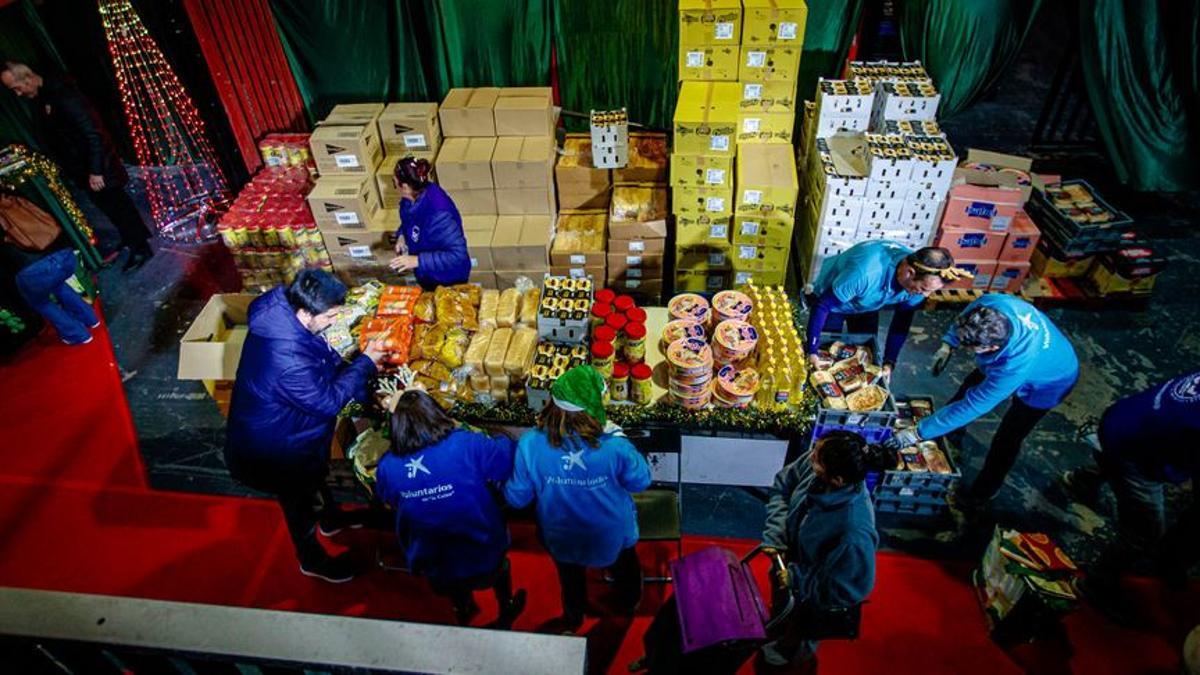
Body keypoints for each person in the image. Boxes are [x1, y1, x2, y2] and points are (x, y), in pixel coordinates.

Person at [224, 269, 385, 583]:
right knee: (297, 503)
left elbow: (319, 356)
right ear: (304, 311)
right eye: (329, 316)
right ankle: (311, 558)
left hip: (293, 432)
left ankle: (330, 518)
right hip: (274, 449)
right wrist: (366, 362)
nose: (332, 321)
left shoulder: (284, 312)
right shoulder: (287, 360)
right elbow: (326, 402)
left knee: (313, 479)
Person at [888, 294, 1079, 511]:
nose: (967, 350)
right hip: (1034, 354)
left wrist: (918, 433)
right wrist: (948, 344)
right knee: (970, 384)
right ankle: (952, 432)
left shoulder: (1012, 366)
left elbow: (974, 405)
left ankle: (984, 490)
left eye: (972, 349)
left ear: (992, 349)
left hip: (1051, 381)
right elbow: (966, 316)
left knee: (1009, 436)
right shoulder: (993, 306)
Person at [504, 365, 651, 632]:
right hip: (610, 534)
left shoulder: (530, 443)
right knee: (626, 570)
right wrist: (620, 438)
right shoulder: (614, 445)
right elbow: (640, 481)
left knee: (570, 579)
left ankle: (574, 617)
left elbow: (517, 498)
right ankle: (628, 603)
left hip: (561, 536)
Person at [375, 390, 527, 628]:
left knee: (451, 586)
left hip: (431, 556)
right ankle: (505, 605)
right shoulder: (465, 444)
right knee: (497, 571)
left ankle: (462, 607)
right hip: (480, 545)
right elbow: (505, 460)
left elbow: (388, 498)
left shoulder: (387, 466)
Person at [1060, 371, 1199, 622]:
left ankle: (1081, 480)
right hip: (1137, 454)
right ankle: (1095, 584)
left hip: (1124, 418)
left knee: (1114, 457)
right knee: (1145, 532)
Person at [1, 62, 155, 271]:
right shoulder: (40, 99)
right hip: (83, 169)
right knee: (110, 208)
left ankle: (141, 247)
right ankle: (131, 239)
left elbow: (93, 132)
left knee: (119, 206)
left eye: (17, 88)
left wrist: (96, 170)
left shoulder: (63, 94)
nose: (18, 94)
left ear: (27, 79)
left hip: (98, 168)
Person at [760, 430, 892, 667]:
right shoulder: (820, 464)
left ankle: (792, 658)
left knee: (797, 639)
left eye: (817, 458)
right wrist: (776, 534)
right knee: (781, 614)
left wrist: (797, 580)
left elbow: (851, 590)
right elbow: (783, 485)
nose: (811, 457)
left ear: (838, 480)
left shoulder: (854, 530)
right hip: (787, 567)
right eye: (816, 449)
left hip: (810, 598)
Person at [806, 242, 962, 380]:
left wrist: (890, 361)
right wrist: (812, 350)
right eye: (923, 289)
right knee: (825, 353)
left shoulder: (918, 284)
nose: (925, 295)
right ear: (909, 272)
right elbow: (823, 306)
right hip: (835, 301)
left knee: (865, 355)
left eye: (930, 291)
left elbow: (901, 322)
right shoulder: (865, 273)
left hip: (868, 304)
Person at [1, 230, 97, 345]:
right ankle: (91, 319)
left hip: (36, 270)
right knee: (58, 284)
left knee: (40, 301)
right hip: (65, 256)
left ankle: (77, 334)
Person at [388, 156, 469, 289]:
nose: (394, 187)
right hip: (427, 275)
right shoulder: (409, 199)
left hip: (448, 279)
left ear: (405, 187)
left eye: (394, 182)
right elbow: (409, 220)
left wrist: (417, 261)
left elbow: (457, 255)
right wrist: (402, 236)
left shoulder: (439, 215)